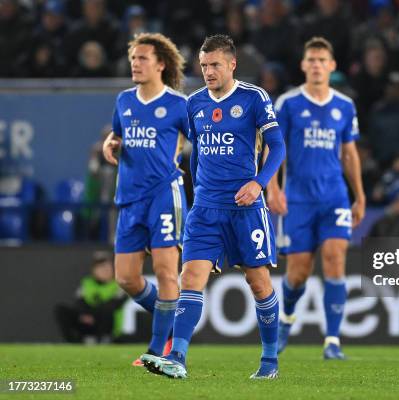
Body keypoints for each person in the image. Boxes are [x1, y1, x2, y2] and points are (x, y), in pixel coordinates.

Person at [146, 34, 286, 380]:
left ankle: (269, 360)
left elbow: (278, 147)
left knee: (258, 283)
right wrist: (197, 197)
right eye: (204, 65)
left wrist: (259, 183)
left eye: (215, 65)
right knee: (190, 278)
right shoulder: (193, 103)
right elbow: (195, 158)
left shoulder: (254, 98)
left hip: (245, 208)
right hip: (206, 209)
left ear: (232, 64)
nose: (208, 71)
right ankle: (177, 357)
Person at [267, 37, 366, 360]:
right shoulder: (288, 104)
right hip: (298, 199)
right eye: (311, 59)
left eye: (322, 60)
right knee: (298, 272)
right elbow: (275, 147)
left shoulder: (345, 106)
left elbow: (349, 154)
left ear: (332, 66)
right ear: (303, 65)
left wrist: (359, 196)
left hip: (334, 197)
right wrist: (273, 187)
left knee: (335, 260)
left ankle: (333, 341)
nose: (316, 65)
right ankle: (286, 320)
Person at [101, 33, 188, 366]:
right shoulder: (124, 100)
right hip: (129, 198)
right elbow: (117, 134)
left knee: (167, 273)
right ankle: (176, 321)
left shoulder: (179, 104)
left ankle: (156, 350)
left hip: (164, 194)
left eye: (142, 58)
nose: (135, 64)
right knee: (126, 278)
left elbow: (201, 143)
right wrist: (112, 142)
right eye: (133, 58)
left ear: (161, 64)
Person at [54, 251, 126, 343]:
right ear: (94, 270)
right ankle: (73, 342)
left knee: (107, 311)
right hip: (88, 321)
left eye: (107, 266)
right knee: (60, 309)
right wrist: (84, 314)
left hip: (108, 326)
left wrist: (92, 315)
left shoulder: (120, 284)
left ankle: (104, 340)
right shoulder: (87, 283)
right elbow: (79, 301)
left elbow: (114, 304)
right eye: (100, 267)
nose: (104, 270)